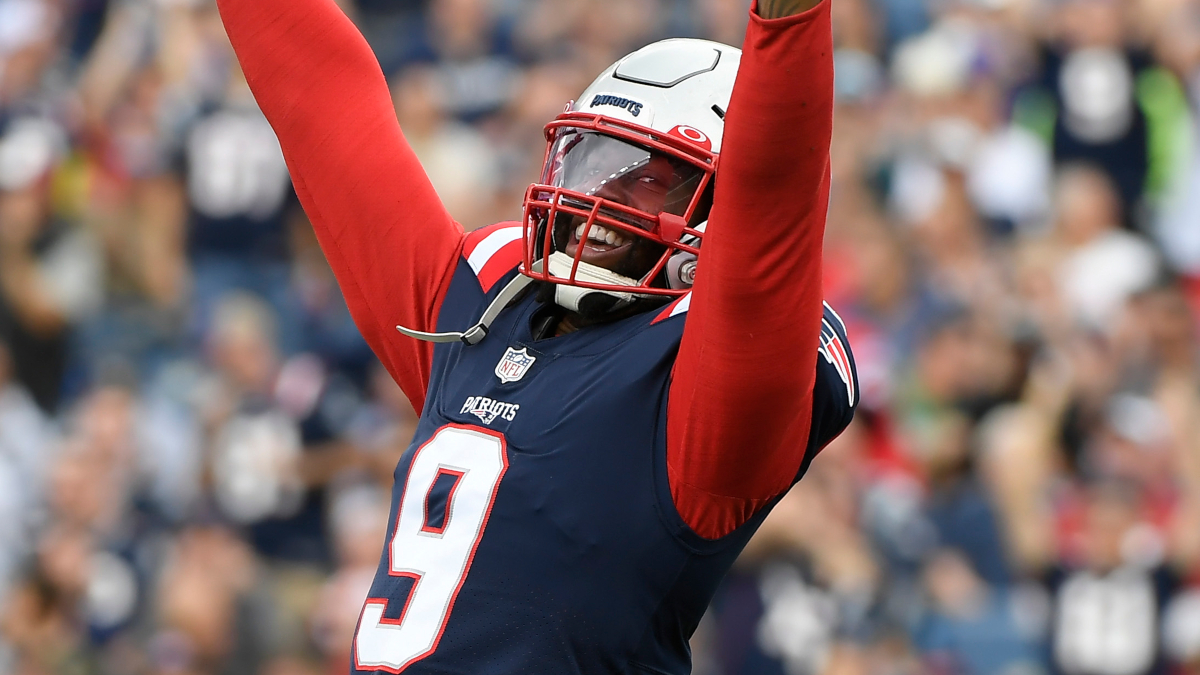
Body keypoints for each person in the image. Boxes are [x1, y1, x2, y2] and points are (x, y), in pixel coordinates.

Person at [215, 0, 858, 672]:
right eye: (593, 162)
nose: (598, 196)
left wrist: (790, 23)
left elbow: (770, 212)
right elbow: (324, 100)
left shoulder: (698, 399)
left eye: (647, 180)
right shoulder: (484, 305)